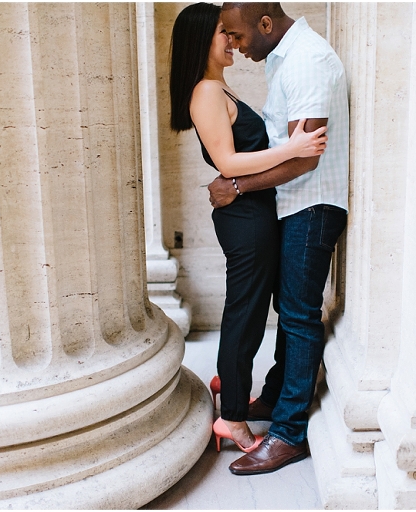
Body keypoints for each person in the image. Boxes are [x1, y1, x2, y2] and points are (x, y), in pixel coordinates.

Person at [169, 3, 328, 454]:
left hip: (253, 213)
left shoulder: (220, 89)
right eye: (225, 34)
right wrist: (294, 148)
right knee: (245, 315)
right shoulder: (205, 92)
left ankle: (230, 387)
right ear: (203, 41)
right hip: (245, 219)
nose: (233, 42)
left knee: (253, 312)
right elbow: (228, 163)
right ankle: (233, 418)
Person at [208, 2, 349, 475]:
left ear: (265, 24)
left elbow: (305, 157)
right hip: (293, 203)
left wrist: (237, 185)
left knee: (299, 315)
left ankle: (290, 432)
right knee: (289, 312)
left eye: (239, 35)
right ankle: (272, 399)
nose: (237, 45)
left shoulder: (307, 60)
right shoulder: (285, 59)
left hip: (312, 204)